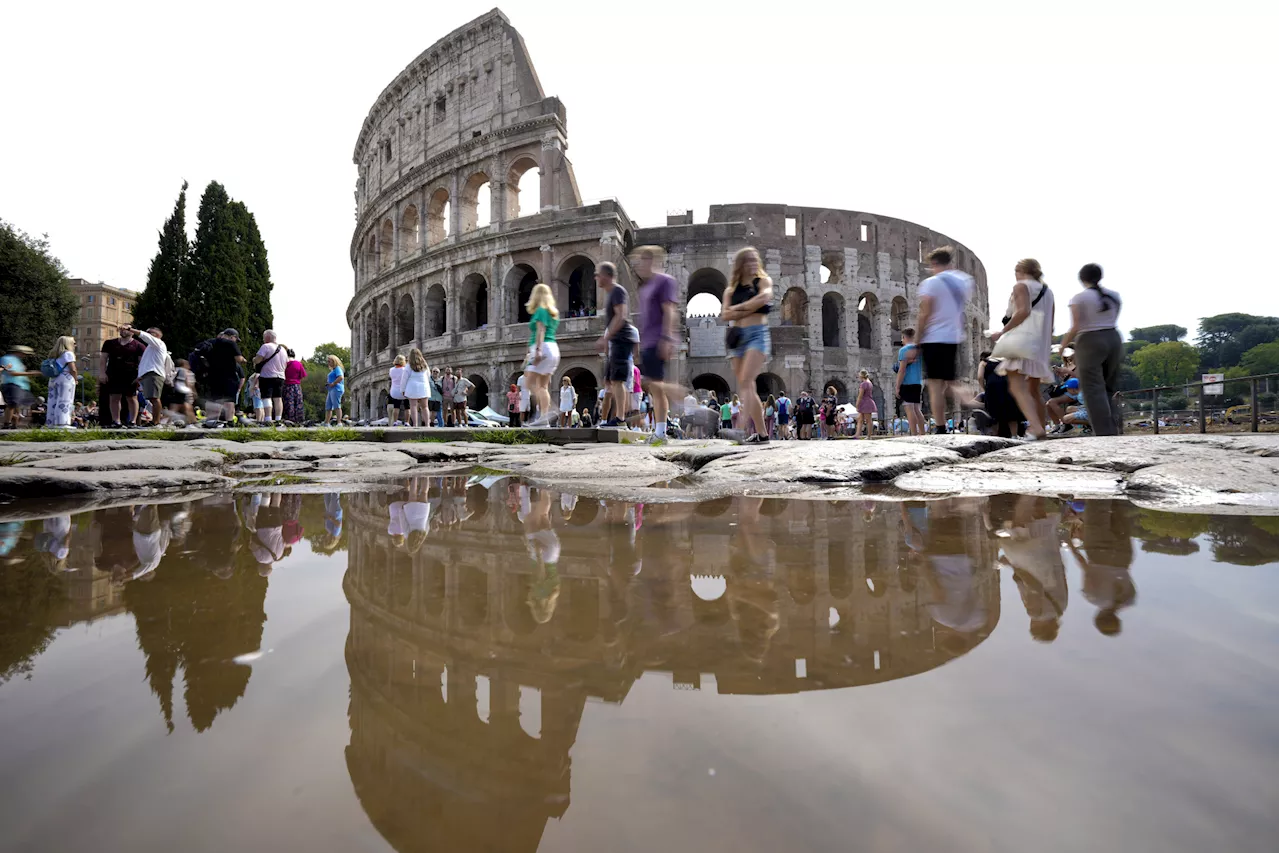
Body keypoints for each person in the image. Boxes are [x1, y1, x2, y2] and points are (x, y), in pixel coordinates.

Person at [990, 259, 1054, 439]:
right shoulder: (1048, 292)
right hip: (1041, 343)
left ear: (1020, 271)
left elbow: (1023, 311)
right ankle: (1041, 429)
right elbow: (1051, 325)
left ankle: (1035, 428)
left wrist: (1002, 331)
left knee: (1016, 386)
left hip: (1022, 339)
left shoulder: (1020, 286)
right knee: (1033, 390)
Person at [916, 246, 978, 434]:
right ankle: (978, 404)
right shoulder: (964, 281)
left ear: (934, 263)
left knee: (935, 386)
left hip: (933, 337)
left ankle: (941, 427)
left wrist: (917, 340)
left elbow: (925, 313)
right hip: (954, 337)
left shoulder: (931, 283)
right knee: (952, 381)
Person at [1060, 263, 1124, 436]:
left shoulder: (1079, 298)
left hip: (1089, 339)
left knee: (1093, 389)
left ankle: (1104, 432)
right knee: (1108, 387)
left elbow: (1076, 326)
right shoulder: (1114, 296)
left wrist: (1063, 345)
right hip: (1114, 337)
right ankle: (1114, 426)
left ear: (1082, 278)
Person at [720, 246, 773, 443]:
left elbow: (765, 297)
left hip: (757, 335)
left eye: (755, 259)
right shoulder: (730, 290)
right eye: (748, 260)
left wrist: (738, 309)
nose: (753, 263)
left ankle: (739, 429)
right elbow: (725, 314)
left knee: (746, 380)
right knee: (747, 385)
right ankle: (762, 434)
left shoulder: (763, 281)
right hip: (738, 336)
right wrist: (752, 307)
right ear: (740, 265)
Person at [632, 245, 683, 442]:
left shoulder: (664, 281)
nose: (637, 266)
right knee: (653, 388)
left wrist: (667, 337)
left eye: (640, 261)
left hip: (658, 340)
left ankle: (679, 395)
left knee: (654, 385)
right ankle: (660, 431)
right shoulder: (646, 286)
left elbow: (669, 309)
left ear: (650, 260)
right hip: (647, 342)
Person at [594, 261, 636, 427]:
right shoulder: (612, 293)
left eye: (597, 274)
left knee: (617, 380)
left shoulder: (617, 291)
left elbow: (621, 315)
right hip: (616, 341)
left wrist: (606, 337)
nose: (596, 277)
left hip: (621, 339)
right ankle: (620, 417)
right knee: (611, 381)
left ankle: (620, 419)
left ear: (605, 276)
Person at [523, 282, 561, 427]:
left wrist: (537, 351)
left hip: (542, 348)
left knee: (528, 382)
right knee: (542, 386)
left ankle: (550, 410)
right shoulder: (553, 313)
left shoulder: (540, 310)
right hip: (553, 349)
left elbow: (540, 330)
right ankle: (544, 418)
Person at [100, 326, 145, 427]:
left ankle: (133, 421)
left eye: (126, 329)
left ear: (132, 332)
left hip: (131, 375)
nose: (123, 330)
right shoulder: (109, 343)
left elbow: (142, 362)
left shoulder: (139, 346)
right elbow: (103, 359)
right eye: (121, 328)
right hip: (113, 373)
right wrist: (102, 373)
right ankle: (116, 421)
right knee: (114, 397)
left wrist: (140, 376)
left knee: (132, 397)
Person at [129, 326, 170, 429]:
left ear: (157, 335)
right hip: (149, 374)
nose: (147, 334)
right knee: (152, 399)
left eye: (150, 333)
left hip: (154, 374)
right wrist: (140, 377)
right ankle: (154, 421)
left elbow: (144, 336)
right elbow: (147, 363)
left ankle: (156, 422)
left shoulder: (158, 343)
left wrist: (130, 329)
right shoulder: (151, 348)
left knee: (155, 398)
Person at [979, 350, 1023, 437]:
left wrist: (984, 388)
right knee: (1011, 412)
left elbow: (980, 377)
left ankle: (996, 435)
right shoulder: (1004, 360)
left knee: (994, 412)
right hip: (1007, 385)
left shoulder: (984, 362)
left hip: (992, 386)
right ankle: (1014, 435)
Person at [205, 329, 246, 423]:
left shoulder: (210, 342)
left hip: (212, 375)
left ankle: (212, 421)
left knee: (215, 398)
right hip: (228, 375)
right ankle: (230, 422)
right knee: (229, 400)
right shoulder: (231, 343)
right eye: (236, 339)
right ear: (232, 336)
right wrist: (243, 360)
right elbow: (239, 359)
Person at [253, 330, 288, 424]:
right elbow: (286, 364)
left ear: (267, 337)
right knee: (278, 398)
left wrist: (254, 359)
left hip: (267, 376)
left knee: (266, 397)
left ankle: (268, 419)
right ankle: (278, 419)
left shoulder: (266, 346)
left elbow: (258, 360)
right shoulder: (283, 349)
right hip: (280, 376)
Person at [895, 327, 925, 436]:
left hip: (907, 383)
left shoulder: (904, 350)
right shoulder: (918, 349)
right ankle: (922, 433)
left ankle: (914, 434)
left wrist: (897, 386)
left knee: (909, 409)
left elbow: (902, 370)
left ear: (904, 337)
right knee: (917, 409)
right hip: (918, 382)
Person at [44, 336, 78, 428]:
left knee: (52, 401)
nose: (75, 345)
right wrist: (75, 379)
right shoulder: (68, 353)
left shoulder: (54, 354)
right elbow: (73, 369)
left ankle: (50, 423)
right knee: (65, 400)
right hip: (65, 378)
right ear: (68, 344)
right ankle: (62, 423)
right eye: (74, 343)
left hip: (53, 378)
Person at [1, 345, 37, 429]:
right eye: (24, 353)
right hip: (11, 384)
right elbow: (13, 373)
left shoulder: (18, 361)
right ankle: (7, 423)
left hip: (21, 386)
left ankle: (15, 423)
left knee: (17, 405)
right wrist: (31, 373)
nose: (24, 356)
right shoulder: (7, 359)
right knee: (12, 403)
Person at [403, 349, 431, 427]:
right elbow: (428, 375)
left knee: (413, 406)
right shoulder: (425, 365)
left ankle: (415, 424)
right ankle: (427, 424)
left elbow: (404, 378)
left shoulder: (408, 366)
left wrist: (403, 389)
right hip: (424, 386)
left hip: (412, 387)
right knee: (425, 406)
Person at [283, 349, 307, 424]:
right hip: (296, 386)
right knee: (298, 402)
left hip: (286, 385)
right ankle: (298, 420)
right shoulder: (298, 364)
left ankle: (288, 419)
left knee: (288, 403)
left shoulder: (284, 364)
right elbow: (303, 375)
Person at [171, 358, 197, 424]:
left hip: (177, 391)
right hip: (184, 392)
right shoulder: (184, 371)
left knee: (178, 407)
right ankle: (192, 422)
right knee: (185, 407)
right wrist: (193, 392)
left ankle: (191, 421)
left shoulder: (175, 370)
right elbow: (188, 383)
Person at [854, 370, 877, 439]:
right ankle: (857, 435)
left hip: (865, 403)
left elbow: (860, 395)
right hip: (868, 401)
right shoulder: (869, 383)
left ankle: (869, 436)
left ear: (861, 376)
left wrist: (857, 404)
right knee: (860, 419)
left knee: (868, 420)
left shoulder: (863, 384)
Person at [387, 354, 408, 426]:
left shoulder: (391, 370)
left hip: (394, 391)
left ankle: (395, 422)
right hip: (404, 391)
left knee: (396, 407)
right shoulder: (405, 370)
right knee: (407, 407)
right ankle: (407, 422)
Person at [324, 354, 345, 425]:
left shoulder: (337, 369)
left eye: (329, 361)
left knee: (337, 405)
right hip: (331, 389)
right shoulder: (333, 370)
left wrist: (333, 383)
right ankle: (326, 422)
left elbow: (341, 377)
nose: (328, 363)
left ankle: (339, 422)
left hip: (336, 388)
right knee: (328, 406)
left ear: (334, 361)